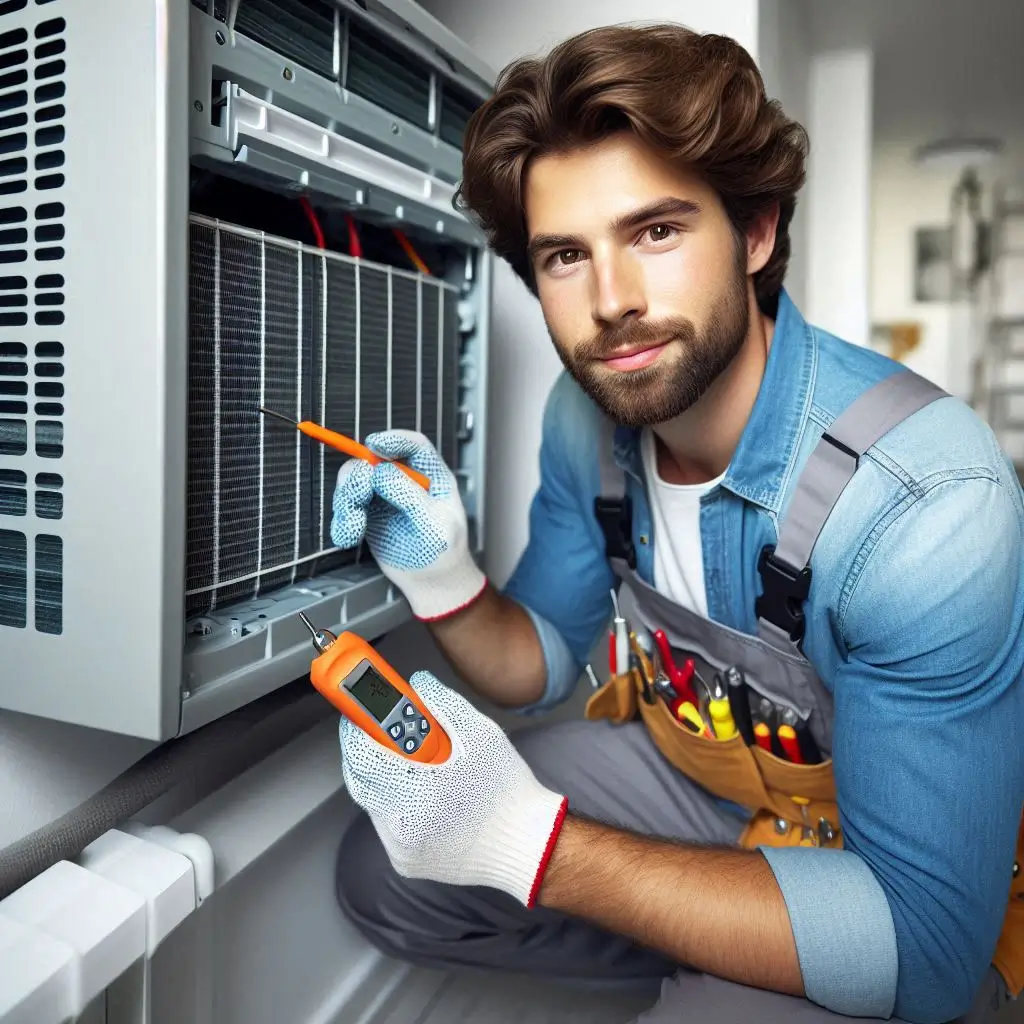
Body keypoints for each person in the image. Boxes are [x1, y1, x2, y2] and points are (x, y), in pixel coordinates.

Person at [328, 23, 1024, 1024]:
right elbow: (543, 660)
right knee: (384, 865)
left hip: (902, 880)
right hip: (704, 787)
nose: (610, 302)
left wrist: (534, 847)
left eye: (655, 231)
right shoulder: (589, 417)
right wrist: (443, 578)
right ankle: (720, 950)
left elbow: (924, 951)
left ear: (754, 234)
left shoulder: (923, 504)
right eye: (566, 255)